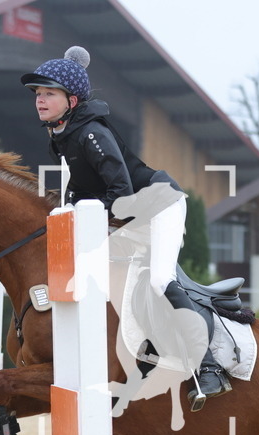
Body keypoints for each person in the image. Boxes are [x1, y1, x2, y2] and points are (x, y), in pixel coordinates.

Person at [21, 46, 229, 411]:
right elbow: (83, 189)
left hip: (159, 205)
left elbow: (121, 193)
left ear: (71, 99)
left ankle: (207, 366)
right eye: (38, 94)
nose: (40, 100)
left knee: (159, 279)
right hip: (129, 212)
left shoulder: (91, 134)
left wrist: (81, 216)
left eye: (48, 93)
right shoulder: (63, 134)